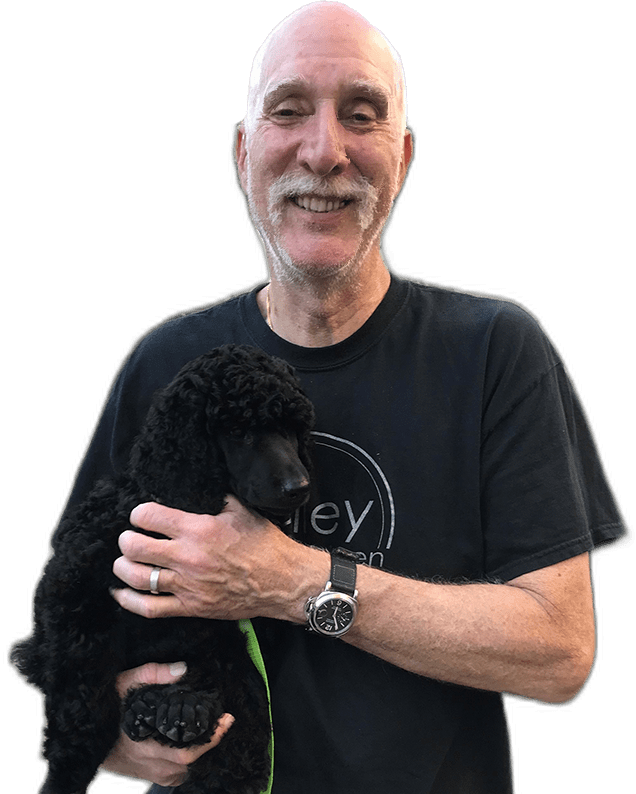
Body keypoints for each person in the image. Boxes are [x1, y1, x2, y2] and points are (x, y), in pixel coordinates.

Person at [54, 2, 626, 792]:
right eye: (289, 111)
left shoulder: (497, 351)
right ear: (244, 150)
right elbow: (66, 612)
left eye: (362, 115)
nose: (325, 151)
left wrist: (296, 582)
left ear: (404, 154)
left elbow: (561, 654)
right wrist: (111, 729)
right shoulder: (167, 365)